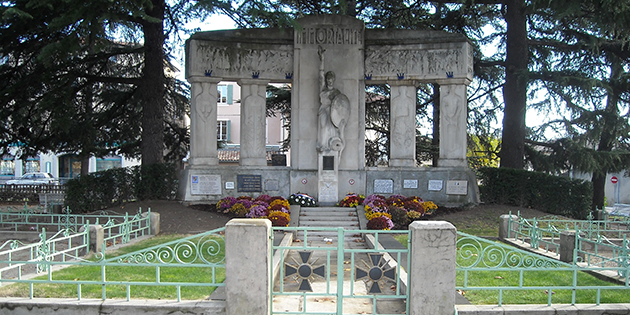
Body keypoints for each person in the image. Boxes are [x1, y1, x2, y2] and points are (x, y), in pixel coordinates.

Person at [317, 46, 350, 155]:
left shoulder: (337, 92)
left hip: (333, 114)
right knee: (323, 127)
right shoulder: (323, 89)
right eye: (328, 79)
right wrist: (322, 60)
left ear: (334, 80)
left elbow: (341, 106)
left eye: (331, 80)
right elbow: (320, 76)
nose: (329, 82)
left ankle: (330, 147)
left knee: (332, 131)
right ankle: (322, 146)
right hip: (323, 111)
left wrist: (342, 119)